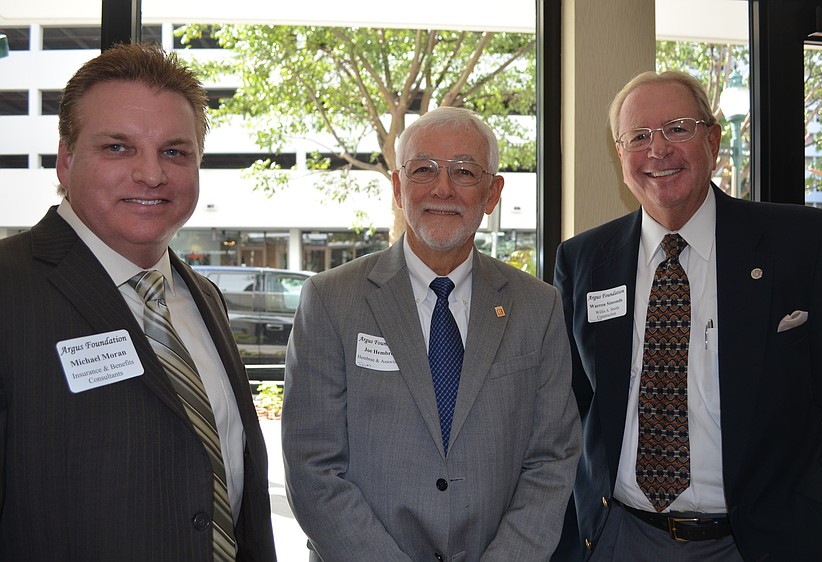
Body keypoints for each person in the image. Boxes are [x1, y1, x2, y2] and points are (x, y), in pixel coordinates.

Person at [551, 70, 822, 562]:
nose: (658, 150)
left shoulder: (803, 243)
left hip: (762, 540)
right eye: (639, 137)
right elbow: (568, 411)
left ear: (713, 138)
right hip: (620, 536)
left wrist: (819, 507)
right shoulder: (583, 259)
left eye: (677, 128)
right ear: (620, 154)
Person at [0, 43, 276, 561]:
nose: (152, 175)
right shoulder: (8, 290)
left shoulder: (204, 298)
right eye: (118, 148)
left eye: (174, 151)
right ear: (65, 160)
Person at [281, 106, 582, 561]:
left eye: (464, 171)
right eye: (424, 169)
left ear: (492, 192)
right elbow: (312, 466)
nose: (443, 188)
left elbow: (552, 460)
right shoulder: (329, 300)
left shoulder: (537, 307)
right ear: (399, 187)